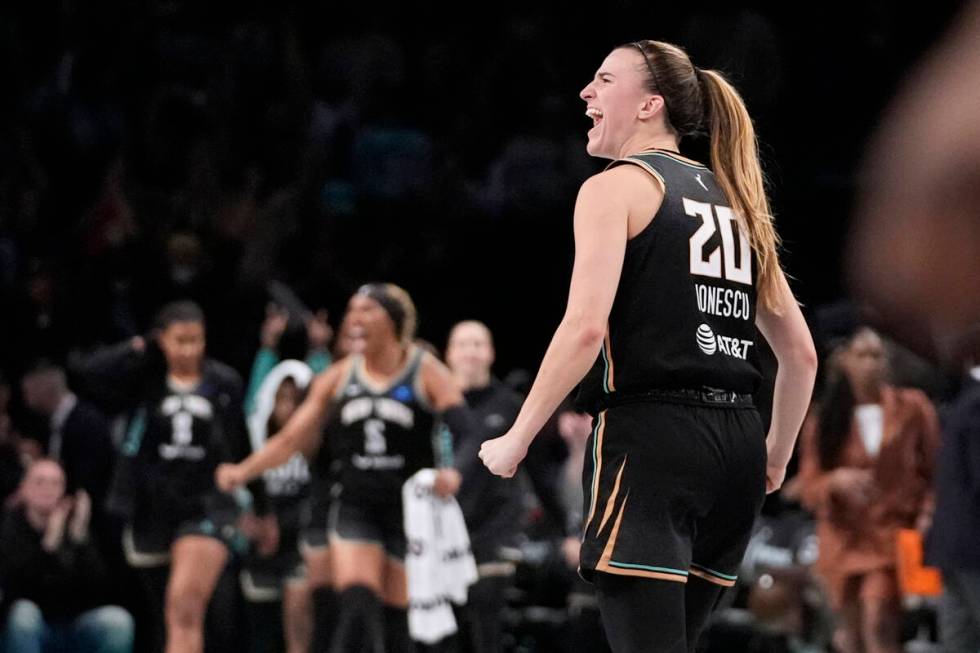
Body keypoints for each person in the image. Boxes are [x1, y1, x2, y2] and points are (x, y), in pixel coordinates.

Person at [478, 40, 817, 653]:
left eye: (604, 80)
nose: (586, 93)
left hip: (651, 444)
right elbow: (801, 354)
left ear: (649, 106)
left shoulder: (616, 188)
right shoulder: (738, 200)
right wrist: (774, 455)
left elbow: (584, 328)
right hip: (736, 447)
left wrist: (517, 437)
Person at [217, 283, 470, 653]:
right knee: (356, 602)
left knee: (398, 623)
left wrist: (457, 472)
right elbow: (289, 439)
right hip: (356, 506)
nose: (355, 318)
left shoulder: (424, 370)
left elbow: (467, 431)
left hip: (409, 513)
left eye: (367, 310)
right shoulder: (338, 376)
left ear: (394, 319)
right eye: (352, 310)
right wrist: (244, 471)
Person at [74, 300, 263, 653]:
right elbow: (88, 374)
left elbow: (243, 445)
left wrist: (259, 506)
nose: (190, 349)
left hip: (206, 504)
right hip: (151, 506)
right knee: (167, 615)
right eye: (180, 340)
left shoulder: (224, 382)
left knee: (185, 606)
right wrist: (141, 344)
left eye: (197, 339)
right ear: (163, 339)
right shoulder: (144, 377)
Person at [797, 326, 939, 653]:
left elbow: (936, 469)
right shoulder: (826, 419)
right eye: (862, 355)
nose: (870, 363)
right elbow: (809, 484)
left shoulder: (912, 407)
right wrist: (836, 481)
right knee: (849, 635)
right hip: (844, 536)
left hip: (891, 533)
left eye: (877, 355)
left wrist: (928, 513)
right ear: (844, 360)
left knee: (878, 621)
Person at [444, 320, 574, 653]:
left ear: (490, 353)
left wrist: (567, 531)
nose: (470, 352)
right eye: (462, 344)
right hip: (441, 532)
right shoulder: (435, 406)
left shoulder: (510, 406)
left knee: (486, 621)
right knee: (442, 632)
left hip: (494, 529)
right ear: (449, 354)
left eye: (477, 344)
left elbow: (542, 475)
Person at [240, 304, 333, 653]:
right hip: (263, 542)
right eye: (281, 400)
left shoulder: (317, 445)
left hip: (302, 543)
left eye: (296, 401)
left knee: (301, 624)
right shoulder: (256, 441)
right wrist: (267, 348)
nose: (289, 408)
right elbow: (254, 401)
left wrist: (319, 352)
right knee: (260, 631)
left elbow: (320, 397)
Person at [0, 459, 134, 653]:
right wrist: (47, 547)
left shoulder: (74, 527)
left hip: (72, 626)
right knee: (23, 614)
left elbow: (101, 591)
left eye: (56, 483)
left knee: (117, 621)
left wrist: (81, 540)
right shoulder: (10, 527)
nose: (48, 489)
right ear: (24, 489)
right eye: (40, 482)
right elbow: (13, 591)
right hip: (29, 629)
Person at [925, 326, 980, 653]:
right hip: (974, 549)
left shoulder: (963, 399)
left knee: (959, 643)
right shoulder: (977, 405)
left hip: (952, 547)